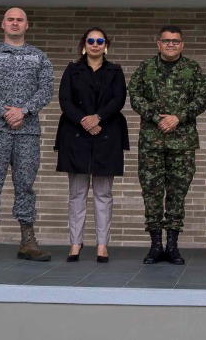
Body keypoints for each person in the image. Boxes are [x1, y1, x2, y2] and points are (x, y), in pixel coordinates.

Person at [0, 7, 55, 263]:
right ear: (3, 24)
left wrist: (24, 111)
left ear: (27, 25)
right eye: (11, 19)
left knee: (26, 186)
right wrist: (5, 112)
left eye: (20, 20)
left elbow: (47, 89)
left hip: (27, 132)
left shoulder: (39, 57)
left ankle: (27, 242)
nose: (15, 23)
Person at [128, 25, 206, 265]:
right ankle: (155, 245)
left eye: (175, 41)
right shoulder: (146, 67)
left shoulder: (192, 69)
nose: (171, 44)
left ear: (182, 45)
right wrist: (156, 117)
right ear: (158, 44)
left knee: (177, 194)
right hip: (152, 142)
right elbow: (134, 95)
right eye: (166, 41)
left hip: (182, 143)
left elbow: (202, 98)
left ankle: (173, 246)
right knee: (152, 193)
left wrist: (178, 117)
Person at [53, 28, 128, 263]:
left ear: (106, 45)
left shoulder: (115, 71)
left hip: (107, 135)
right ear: (84, 44)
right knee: (77, 194)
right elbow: (64, 100)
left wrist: (98, 118)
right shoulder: (72, 70)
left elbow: (119, 99)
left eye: (100, 41)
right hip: (76, 135)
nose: (95, 44)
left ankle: (102, 245)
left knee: (103, 194)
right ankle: (75, 243)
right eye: (91, 40)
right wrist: (85, 121)